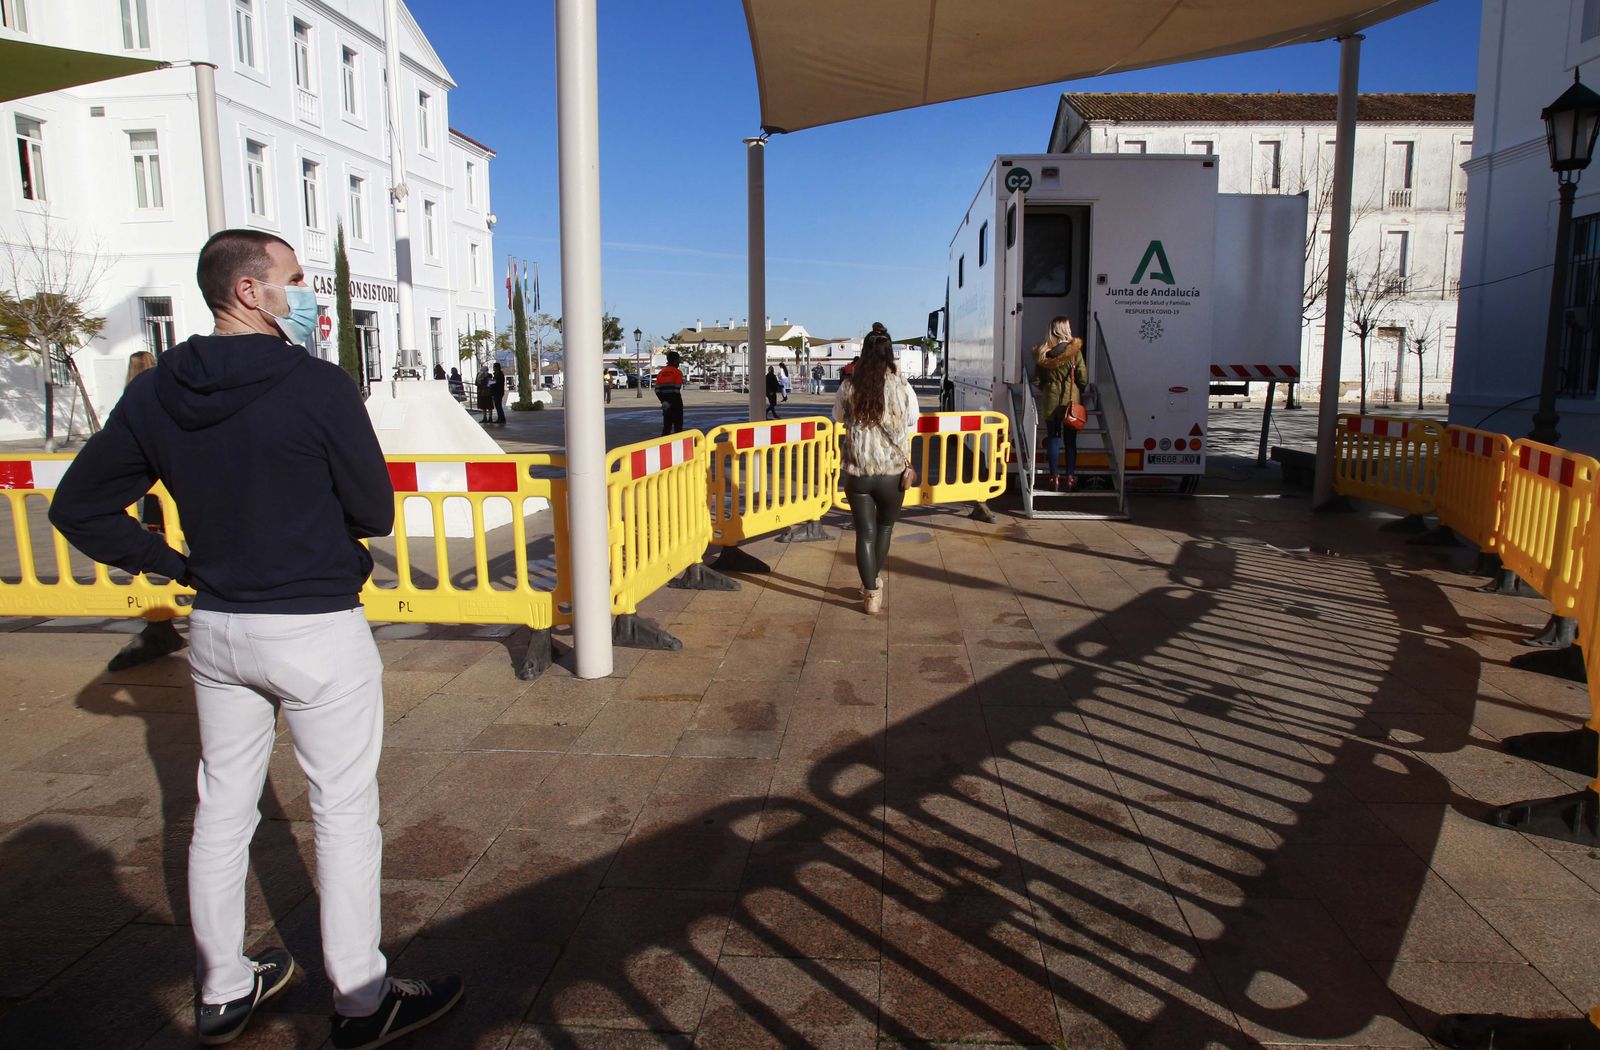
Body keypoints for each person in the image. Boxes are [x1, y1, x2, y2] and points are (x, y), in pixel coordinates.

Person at [47, 229, 462, 1049]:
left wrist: (169, 564)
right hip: (313, 626)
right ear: (248, 291)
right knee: (343, 811)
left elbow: (79, 507)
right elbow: (374, 513)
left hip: (219, 626)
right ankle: (360, 999)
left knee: (219, 810)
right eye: (296, 279)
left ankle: (224, 989)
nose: (307, 293)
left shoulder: (157, 389)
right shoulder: (316, 386)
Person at [833, 322, 918, 615]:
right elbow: (911, 421)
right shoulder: (903, 386)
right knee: (885, 528)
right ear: (890, 353)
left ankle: (871, 591)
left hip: (858, 473)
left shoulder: (848, 386)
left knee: (864, 534)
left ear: (864, 354)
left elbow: (838, 417)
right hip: (892, 472)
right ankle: (873, 581)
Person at [1032, 316, 1088, 491]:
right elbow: (1082, 377)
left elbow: (1036, 380)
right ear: (1065, 329)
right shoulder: (1074, 352)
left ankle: (1053, 477)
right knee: (1070, 441)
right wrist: (1081, 390)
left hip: (1050, 400)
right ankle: (1070, 477)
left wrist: (1048, 389)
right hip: (1070, 401)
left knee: (1054, 439)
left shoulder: (1043, 353)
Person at [655, 351, 686, 435]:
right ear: (675, 361)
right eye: (678, 361)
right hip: (676, 403)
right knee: (678, 427)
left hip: (665, 403)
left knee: (667, 426)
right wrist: (671, 402)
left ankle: (664, 445)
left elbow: (657, 390)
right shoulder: (677, 372)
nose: (679, 364)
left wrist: (664, 401)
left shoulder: (661, 372)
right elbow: (676, 390)